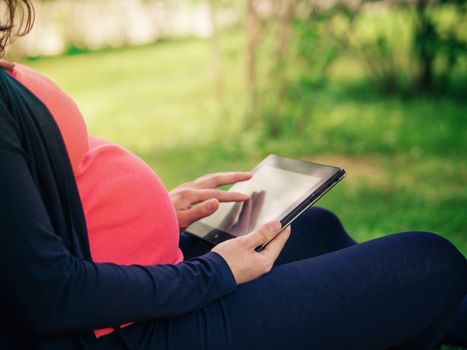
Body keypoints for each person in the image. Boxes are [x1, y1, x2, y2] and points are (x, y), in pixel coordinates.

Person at [0, 1, 465, 349]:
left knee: (314, 228)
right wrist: (216, 272)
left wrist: (157, 209)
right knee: (430, 262)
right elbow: (50, 293)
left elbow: (30, 212)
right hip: (116, 330)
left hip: (127, 289)